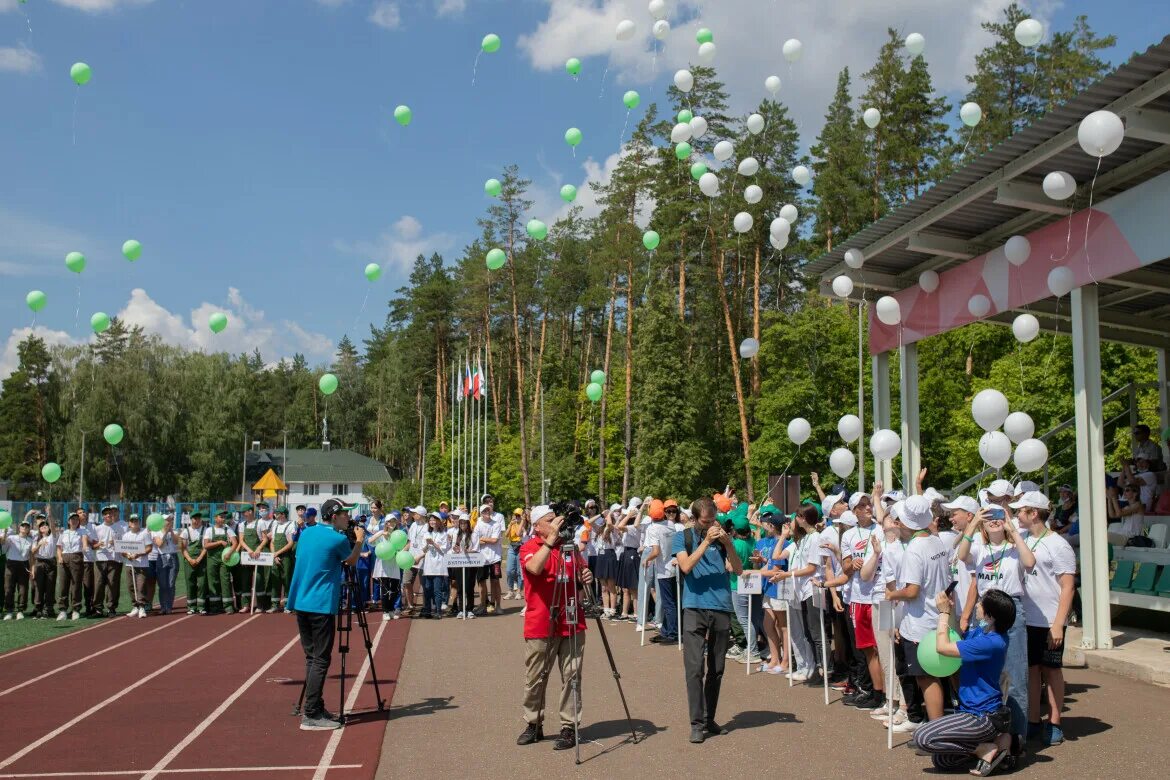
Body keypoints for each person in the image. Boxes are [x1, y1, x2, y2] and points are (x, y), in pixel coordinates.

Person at [911, 588, 1017, 776]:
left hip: (982, 717)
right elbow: (956, 637)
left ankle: (984, 749)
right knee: (941, 760)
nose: (977, 605)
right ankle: (1002, 743)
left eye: (981, 603)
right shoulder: (982, 633)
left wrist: (943, 613)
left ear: (991, 615)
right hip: (969, 711)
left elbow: (943, 647)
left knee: (922, 738)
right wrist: (949, 612)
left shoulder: (992, 642)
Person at [954, 506, 1033, 753]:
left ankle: (1017, 739)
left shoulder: (1014, 548)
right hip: (984, 611)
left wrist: (1012, 530)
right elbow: (961, 555)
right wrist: (974, 522)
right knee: (985, 676)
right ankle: (992, 734)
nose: (994, 521)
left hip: (1011, 610)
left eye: (999, 516)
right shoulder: (978, 546)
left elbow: (1030, 562)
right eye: (989, 518)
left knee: (1015, 676)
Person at [516, 505, 594, 751]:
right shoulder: (530, 547)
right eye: (551, 520)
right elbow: (534, 568)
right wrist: (549, 543)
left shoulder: (569, 547)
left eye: (557, 519)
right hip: (541, 623)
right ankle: (533, 723)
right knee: (536, 678)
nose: (558, 523)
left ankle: (569, 727)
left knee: (572, 677)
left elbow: (580, 573)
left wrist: (586, 576)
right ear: (538, 525)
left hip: (571, 619)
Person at [287, 497, 366, 731]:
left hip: (301, 602)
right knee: (321, 659)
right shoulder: (337, 538)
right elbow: (351, 560)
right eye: (344, 515)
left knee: (312, 658)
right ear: (334, 516)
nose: (348, 518)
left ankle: (315, 706)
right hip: (320, 605)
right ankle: (311, 714)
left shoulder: (307, 532)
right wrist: (359, 541)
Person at [672, 496, 742, 744]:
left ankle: (708, 717)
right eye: (706, 521)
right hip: (694, 606)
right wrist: (705, 543)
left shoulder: (723, 539)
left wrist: (728, 544)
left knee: (717, 668)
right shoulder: (683, 537)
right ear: (695, 519)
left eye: (714, 520)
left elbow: (739, 569)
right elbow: (686, 567)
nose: (711, 524)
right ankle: (696, 724)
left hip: (721, 606)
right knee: (694, 669)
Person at [1014, 491, 1077, 746]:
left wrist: (1058, 623)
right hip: (1027, 619)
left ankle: (1054, 723)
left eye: (1021, 510)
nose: (1017, 514)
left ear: (1034, 513)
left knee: (1052, 672)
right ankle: (1032, 721)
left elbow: (1068, 586)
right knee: (1031, 670)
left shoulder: (1058, 544)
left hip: (1050, 621)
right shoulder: (1024, 538)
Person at [887, 495, 952, 723]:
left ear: (905, 523)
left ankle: (937, 731)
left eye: (899, 520)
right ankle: (944, 727)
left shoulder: (915, 548)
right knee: (940, 676)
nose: (897, 524)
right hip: (938, 618)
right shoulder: (936, 540)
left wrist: (891, 594)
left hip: (921, 623)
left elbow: (912, 591)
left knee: (927, 678)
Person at [841, 495, 885, 710]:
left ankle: (890, 696)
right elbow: (845, 568)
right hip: (859, 597)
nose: (867, 508)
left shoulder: (881, 529)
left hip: (882, 595)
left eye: (869, 504)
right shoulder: (848, 534)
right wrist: (853, 564)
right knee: (868, 649)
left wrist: (877, 498)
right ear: (854, 511)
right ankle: (876, 694)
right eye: (862, 505)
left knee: (885, 648)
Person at [644, 500, 681, 645]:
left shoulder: (653, 529)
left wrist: (646, 559)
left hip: (663, 570)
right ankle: (666, 630)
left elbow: (655, 551)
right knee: (671, 601)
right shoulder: (670, 525)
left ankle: (672, 633)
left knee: (668, 602)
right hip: (672, 566)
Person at [90, 505, 126, 617]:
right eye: (105, 514)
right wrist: (98, 545)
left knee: (113, 584)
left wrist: (116, 544)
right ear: (103, 516)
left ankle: (111, 608)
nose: (108, 515)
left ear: (113, 514)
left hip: (115, 559)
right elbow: (92, 546)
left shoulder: (119, 528)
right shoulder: (97, 528)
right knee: (99, 584)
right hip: (100, 559)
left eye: (110, 513)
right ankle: (98, 609)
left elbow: (124, 545)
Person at [368, 510, 402, 621]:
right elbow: (369, 541)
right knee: (385, 588)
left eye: (394, 522)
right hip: (382, 565)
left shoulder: (398, 534)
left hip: (394, 564)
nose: (391, 524)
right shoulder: (381, 533)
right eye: (389, 522)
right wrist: (381, 534)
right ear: (386, 523)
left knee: (395, 589)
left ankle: (391, 609)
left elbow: (403, 545)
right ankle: (386, 611)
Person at [472, 506, 505, 615]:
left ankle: (498, 605)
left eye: (488, 510)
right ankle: (482, 605)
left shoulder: (496, 524)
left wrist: (482, 539)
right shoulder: (478, 524)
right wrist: (483, 540)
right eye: (484, 511)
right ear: (481, 513)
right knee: (481, 582)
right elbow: (474, 541)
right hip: (482, 558)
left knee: (495, 581)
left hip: (495, 557)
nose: (486, 512)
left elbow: (495, 540)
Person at [203, 510, 237, 614]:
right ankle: (215, 607)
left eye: (224, 517)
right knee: (213, 582)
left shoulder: (228, 529)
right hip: (212, 559)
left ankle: (228, 607)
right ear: (215, 518)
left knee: (225, 581)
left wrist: (229, 553)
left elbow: (235, 543)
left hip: (224, 560)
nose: (223, 519)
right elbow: (206, 545)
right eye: (220, 517)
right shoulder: (209, 530)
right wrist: (219, 542)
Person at [417, 512, 450, 619]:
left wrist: (433, 543)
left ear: (439, 521)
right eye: (431, 520)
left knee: (437, 590)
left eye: (435, 520)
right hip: (428, 566)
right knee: (427, 589)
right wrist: (427, 544)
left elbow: (444, 549)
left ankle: (438, 611)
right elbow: (423, 549)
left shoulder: (444, 534)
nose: (432, 522)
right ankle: (427, 610)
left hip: (439, 566)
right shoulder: (426, 534)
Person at [56, 511, 88, 620]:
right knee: (63, 585)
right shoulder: (63, 533)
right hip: (64, 558)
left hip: (76, 557)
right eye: (72, 519)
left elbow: (84, 541)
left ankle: (75, 609)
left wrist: (84, 547)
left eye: (76, 519)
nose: (74, 521)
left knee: (76, 584)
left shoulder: (82, 531)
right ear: (68, 521)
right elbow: (59, 547)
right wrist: (60, 558)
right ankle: (63, 610)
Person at [121, 514, 153, 618]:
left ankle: (142, 607)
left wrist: (138, 554)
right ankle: (135, 606)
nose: (135, 523)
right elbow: (122, 550)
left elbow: (149, 548)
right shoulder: (126, 535)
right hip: (129, 564)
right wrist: (127, 555)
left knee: (141, 585)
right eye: (132, 521)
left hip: (142, 564)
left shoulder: (144, 534)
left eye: (136, 521)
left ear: (139, 522)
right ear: (129, 523)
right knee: (131, 586)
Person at [2, 519, 34, 620]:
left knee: (23, 589)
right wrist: (5, 532)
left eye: (27, 526)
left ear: (29, 529)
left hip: (24, 565)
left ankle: (20, 610)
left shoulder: (30, 540)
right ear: (19, 528)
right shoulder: (11, 537)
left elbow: (32, 556)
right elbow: (3, 544)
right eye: (23, 526)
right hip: (11, 563)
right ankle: (9, 611)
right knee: (8, 588)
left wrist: (32, 569)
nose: (24, 528)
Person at [269, 506, 298, 613]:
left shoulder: (290, 525)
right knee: (275, 580)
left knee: (287, 579)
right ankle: (275, 604)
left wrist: (278, 553)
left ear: (283, 514)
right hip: (276, 556)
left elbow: (290, 543)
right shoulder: (275, 525)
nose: (275, 515)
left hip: (286, 557)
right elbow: (272, 541)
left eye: (277, 513)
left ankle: (288, 604)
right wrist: (274, 555)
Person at [181, 511, 209, 615]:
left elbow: (205, 547)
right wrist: (190, 559)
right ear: (191, 519)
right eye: (194, 518)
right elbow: (183, 548)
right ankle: (191, 607)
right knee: (190, 583)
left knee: (202, 584)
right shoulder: (185, 531)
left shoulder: (206, 530)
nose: (196, 520)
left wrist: (199, 559)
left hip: (201, 561)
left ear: (201, 519)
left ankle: (201, 606)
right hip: (189, 561)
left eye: (198, 518)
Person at [449, 513, 476, 618]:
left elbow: (476, 548)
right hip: (459, 562)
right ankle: (461, 609)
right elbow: (455, 548)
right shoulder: (457, 534)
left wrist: (469, 551)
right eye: (461, 522)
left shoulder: (474, 534)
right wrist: (456, 549)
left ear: (468, 523)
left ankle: (469, 609)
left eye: (464, 522)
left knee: (469, 587)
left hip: (471, 563)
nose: (463, 524)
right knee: (460, 586)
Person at [29, 519, 58, 619]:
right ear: (39, 529)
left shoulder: (52, 537)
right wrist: (39, 544)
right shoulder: (36, 539)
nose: (43, 527)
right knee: (39, 587)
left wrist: (49, 515)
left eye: (45, 525)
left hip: (51, 562)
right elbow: (33, 551)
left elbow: (53, 527)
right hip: (40, 562)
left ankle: (48, 609)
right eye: (41, 526)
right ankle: (38, 608)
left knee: (50, 586)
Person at [505, 508, 526, 600]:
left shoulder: (523, 524)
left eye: (519, 516)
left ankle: (519, 591)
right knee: (509, 571)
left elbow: (520, 534)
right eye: (515, 515)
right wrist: (510, 525)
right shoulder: (512, 524)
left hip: (520, 547)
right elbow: (505, 535)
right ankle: (510, 591)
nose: (517, 517)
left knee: (519, 571)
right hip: (512, 547)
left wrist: (522, 522)